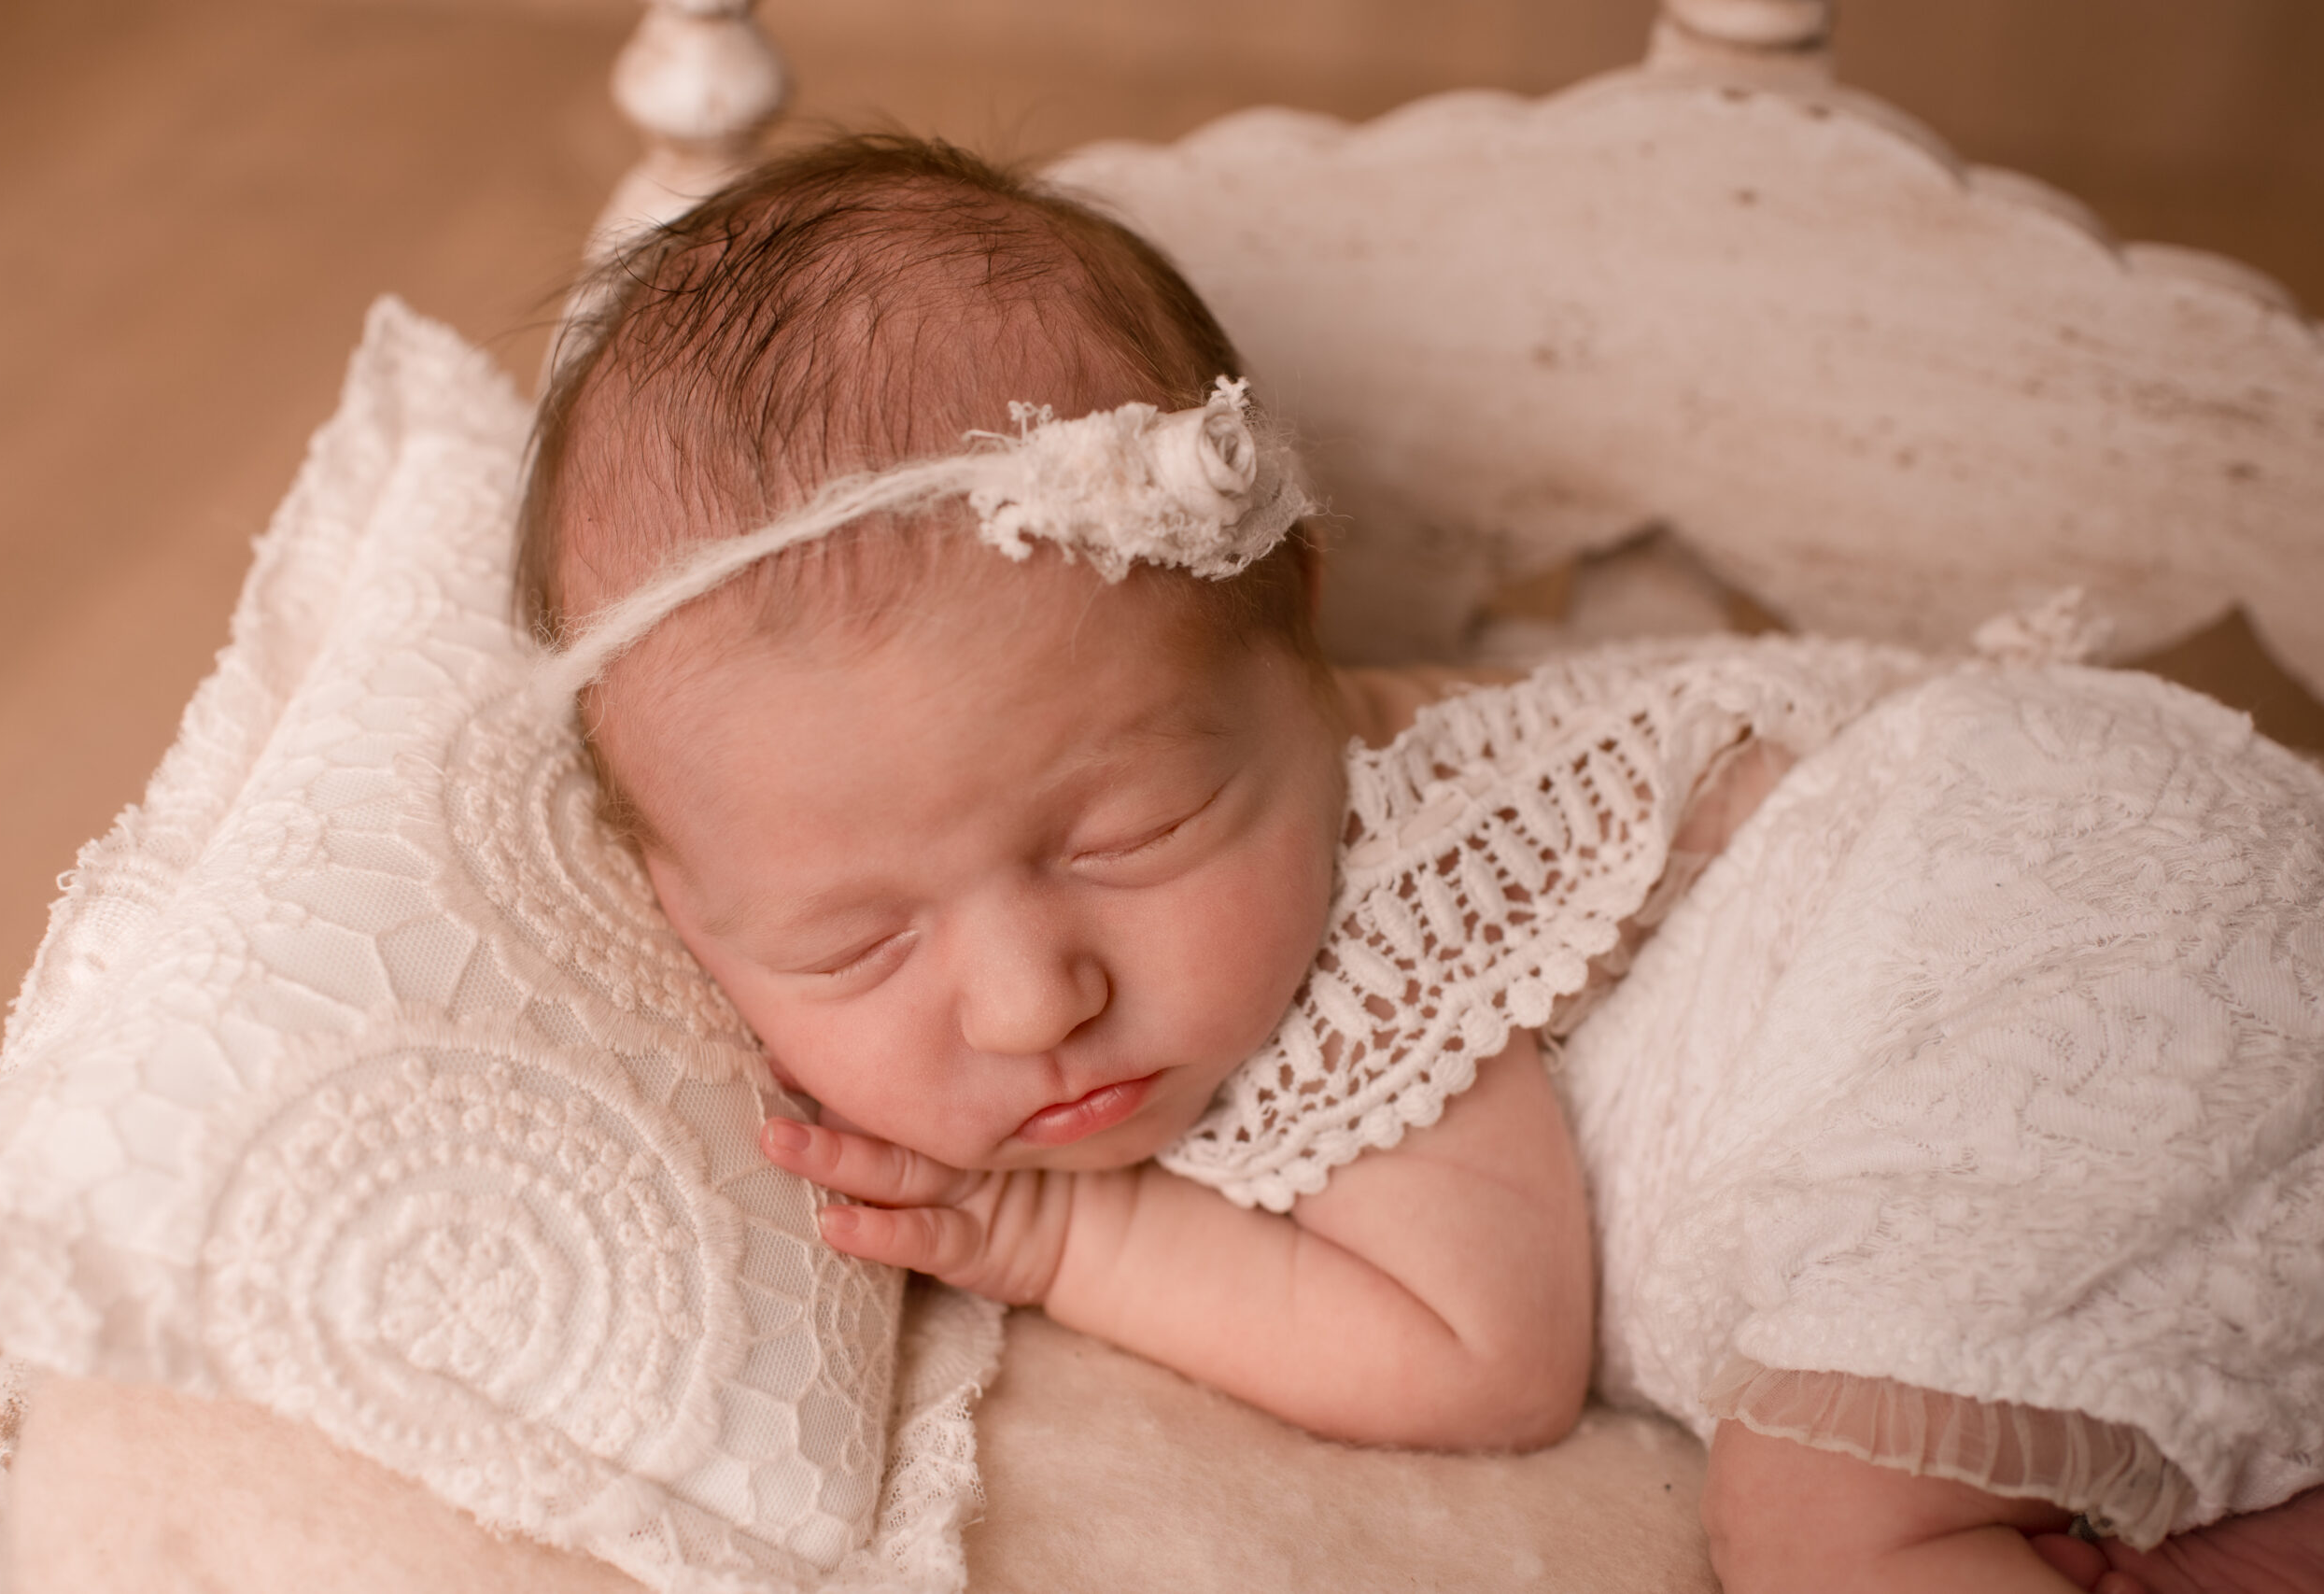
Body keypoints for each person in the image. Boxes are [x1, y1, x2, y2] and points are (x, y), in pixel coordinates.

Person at [520, 131, 2324, 1594]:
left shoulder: (1395, 903)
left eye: (1134, 837)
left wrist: (1065, 1231)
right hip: (2039, 934)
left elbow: (1483, 1351)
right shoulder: (1077, 876)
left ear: (1290, 638)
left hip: (2038, 927)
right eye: (851, 945)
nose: (1031, 997)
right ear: (688, 907)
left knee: (1826, 1522)